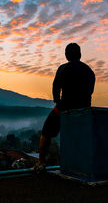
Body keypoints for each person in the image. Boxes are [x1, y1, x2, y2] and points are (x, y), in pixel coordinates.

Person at [31, 43, 95, 173]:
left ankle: (41, 163)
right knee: (82, 137)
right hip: (84, 110)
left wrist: (58, 102)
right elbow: (90, 91)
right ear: (80, 54)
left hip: (64, 108)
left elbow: (56, 89)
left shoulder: (63, 68)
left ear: (66, 55)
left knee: (46, 132)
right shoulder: (89, 71)